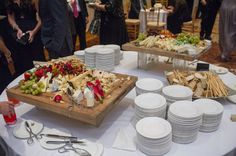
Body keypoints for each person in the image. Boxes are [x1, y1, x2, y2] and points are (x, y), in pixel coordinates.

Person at [6, 0, 45, 74]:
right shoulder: (10, 2)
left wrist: (33, 32)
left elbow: (41, 19)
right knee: (25, 63)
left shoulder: (34, 1)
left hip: (34, 33)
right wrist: (17, 29)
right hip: (20, 36)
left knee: (39, 62)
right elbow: (10, 17)